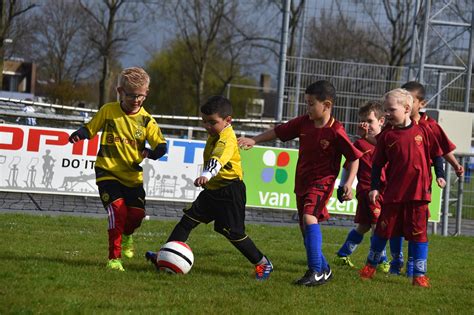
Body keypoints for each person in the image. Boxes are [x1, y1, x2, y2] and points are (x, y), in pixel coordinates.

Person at [238, 80, 363, 286]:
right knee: (306, 230)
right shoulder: (304, 122)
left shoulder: (336, 131)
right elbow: (279, 131)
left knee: (309, 217)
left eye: (311, 103)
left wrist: (348, 183)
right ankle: (324, 269)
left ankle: (314, 271)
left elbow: (354, 158)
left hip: (322, 183)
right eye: (306, 103)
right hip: (302, 182)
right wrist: (255, 139)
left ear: (327, 105)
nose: (308, 108)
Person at [146, 96, 273, 280]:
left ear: (228, 121)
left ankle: (263, 264)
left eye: (212, 122)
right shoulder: (215, 133)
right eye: (204, 122)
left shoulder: (226, 139)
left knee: (234, 233)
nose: (207, 126)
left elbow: (218, 159)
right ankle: (163, 256)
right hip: (213, 191)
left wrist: (206, 175)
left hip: (230, 191)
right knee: (187, 221)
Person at [69, 67, 167, 272]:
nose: (136, 99)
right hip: (107, 172)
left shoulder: (147, 120)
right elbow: (90, 128)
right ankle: (114, 259)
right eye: (131, 95)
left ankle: (128, 235)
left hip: (132, 177)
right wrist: (80, 134)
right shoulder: (108, 111)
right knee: (118, 211)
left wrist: (153, 152)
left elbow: (161, 145)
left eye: (141, 95)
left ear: (146, 93)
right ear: (120, 91)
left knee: (136, 216)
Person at [359, 88, 446, 288]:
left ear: (407, 109)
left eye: (391, 110)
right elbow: (377, 165)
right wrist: (374, 188)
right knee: (382, 231)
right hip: (394, 194)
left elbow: (437, 154)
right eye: (385, 110)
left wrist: (440, 175)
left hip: (419, 194)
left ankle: (419, 274)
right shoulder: (387, 136)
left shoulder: (424, 130)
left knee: (419, 234)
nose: (387, 114)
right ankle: (370, 266)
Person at [399, 81, 464, 277]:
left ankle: (412, 266)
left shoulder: (429, 126)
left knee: (416, 226)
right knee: (396, 224)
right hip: (397, 183)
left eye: (410, 100)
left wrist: (453, 166)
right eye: (403, 100)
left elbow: (440, 150)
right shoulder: (396, 123)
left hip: (420, 185)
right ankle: (394, 261)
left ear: (421, 103)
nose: (406, 104)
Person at [334, 101, 391, 272]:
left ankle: (343, 253)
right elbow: (349, 165)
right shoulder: (359, 145)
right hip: (368, 191)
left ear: (381, 121)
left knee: (364, 226)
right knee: (377, 226)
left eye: (370, 121)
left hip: (384, 190)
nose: (366, 125)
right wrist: (344, 186)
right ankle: (382, 261)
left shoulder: (387, 141)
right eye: (363, 121)